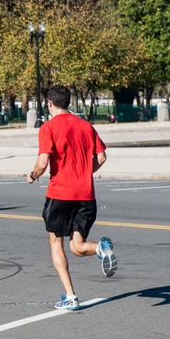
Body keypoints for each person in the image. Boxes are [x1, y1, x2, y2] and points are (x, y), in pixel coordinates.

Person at [26, 85, 117, 311]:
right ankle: (100, 248)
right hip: (86, 195)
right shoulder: (86, 126)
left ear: (49, 103)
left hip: (60, 193)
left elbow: (43, 162)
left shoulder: (48, 128)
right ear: (68, 102)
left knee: (55, 241)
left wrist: (32, 176)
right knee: (77, 247)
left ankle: (71, 296)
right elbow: (102, 157)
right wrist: (85, 172)